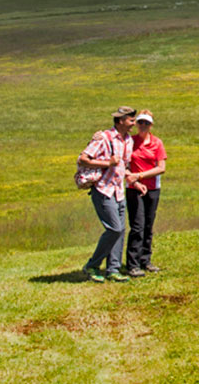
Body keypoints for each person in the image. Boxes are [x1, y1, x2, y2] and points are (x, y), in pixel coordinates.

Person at [78, 106, 146, 283]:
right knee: (114, 229)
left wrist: (135, 182)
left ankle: (113, 269)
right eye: (131, 120)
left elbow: (124, 167)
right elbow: (83, 159)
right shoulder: (104, 138)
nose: (133, 123)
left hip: (118, 191)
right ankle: (92, 265)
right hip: (103, 190)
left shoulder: (128, 141)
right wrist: (107, 162)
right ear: (121, 120)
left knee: (120, 230)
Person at [125, 109, 167, 276]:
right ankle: (132, 264)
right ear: (136, 124)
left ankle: (145, 260)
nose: (143, 126)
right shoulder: (130, 142)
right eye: (140, 122)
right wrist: (134, 180)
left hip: (152, 188)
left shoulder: (157, 143)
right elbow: (124, 164)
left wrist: (140, 175)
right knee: (137, 225)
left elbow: (161, 168)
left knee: (148, 225)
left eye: (146, 123)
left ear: (151, 125)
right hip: (133, 189)